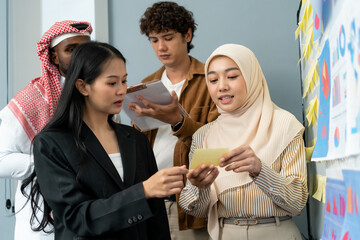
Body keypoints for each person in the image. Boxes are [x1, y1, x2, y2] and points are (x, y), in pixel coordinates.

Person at [22, 41, 187, 239]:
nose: (121, 90)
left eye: (124, 81)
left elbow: (156, 220)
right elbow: (76, 218)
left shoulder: (135, 139)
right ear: (82, 86)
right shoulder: (51, 144)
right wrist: (142, 191)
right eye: (111, 83)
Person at [179, 44, 308, 240]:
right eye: (213, 79)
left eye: (231, 76)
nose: (221, 86)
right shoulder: (203, 136)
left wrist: (260, 170)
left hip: (276, 233)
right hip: (225, 234)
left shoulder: (285, 125)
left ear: (251, 77)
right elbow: (195, 210)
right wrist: (199, 186)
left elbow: (297, 202)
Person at [129, 1, 218, 239]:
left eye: (167, 37)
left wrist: (178, 120)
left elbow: (217, 143)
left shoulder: (212, 80)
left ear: (187, 35)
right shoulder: (144, 85)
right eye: (154, 40)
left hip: (192, 201)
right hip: (153, 198)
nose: (161, 47)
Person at [0, 20, 92, 240]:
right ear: (53, 57)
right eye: (71, 49)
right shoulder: (30, 100)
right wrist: (53, 164)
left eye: (85, 49)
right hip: (41, 220)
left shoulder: (99, 95)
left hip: (91, 213)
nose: (81, 56)